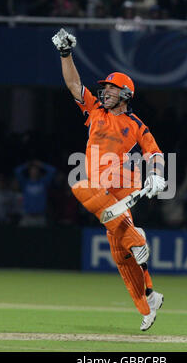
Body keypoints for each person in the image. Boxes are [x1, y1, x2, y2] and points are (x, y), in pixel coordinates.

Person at [52, 28, 166, 331]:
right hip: (101, 190)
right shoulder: (94, 111)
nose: (106, 92)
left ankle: (139, 252)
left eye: (112, 89)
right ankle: (149, 302)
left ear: (125, 94)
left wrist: (156, 176)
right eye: (105, 89)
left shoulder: (135, 124)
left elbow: (154, 152)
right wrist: (66, 54)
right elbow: (74, 84)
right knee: (121, 252)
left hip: (120, 184)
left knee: (83, 190)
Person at [14, 160, 56, 227]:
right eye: (32, 170)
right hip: (27, 216)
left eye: (36, 170)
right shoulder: (25, 182)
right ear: (29, 171)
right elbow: (17, 171)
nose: (34, 171)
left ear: (38, 172)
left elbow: (53, 170)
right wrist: (27, 164)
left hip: (40, 216)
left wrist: (41, 164)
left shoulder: (44, 182)